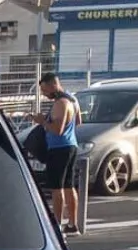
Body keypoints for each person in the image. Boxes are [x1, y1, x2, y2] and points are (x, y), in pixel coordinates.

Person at [34, 72, 82, 235]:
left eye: (45, 90)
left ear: (53, 85)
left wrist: (43, 122)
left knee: (57, 187)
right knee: (68, 186)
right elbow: (78, 122)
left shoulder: (60, 103)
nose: (44, 94)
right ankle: (73, 224)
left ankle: (58, 224)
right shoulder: (73, 100)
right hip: (71, 145)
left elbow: (58, 130)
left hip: (59, 148)